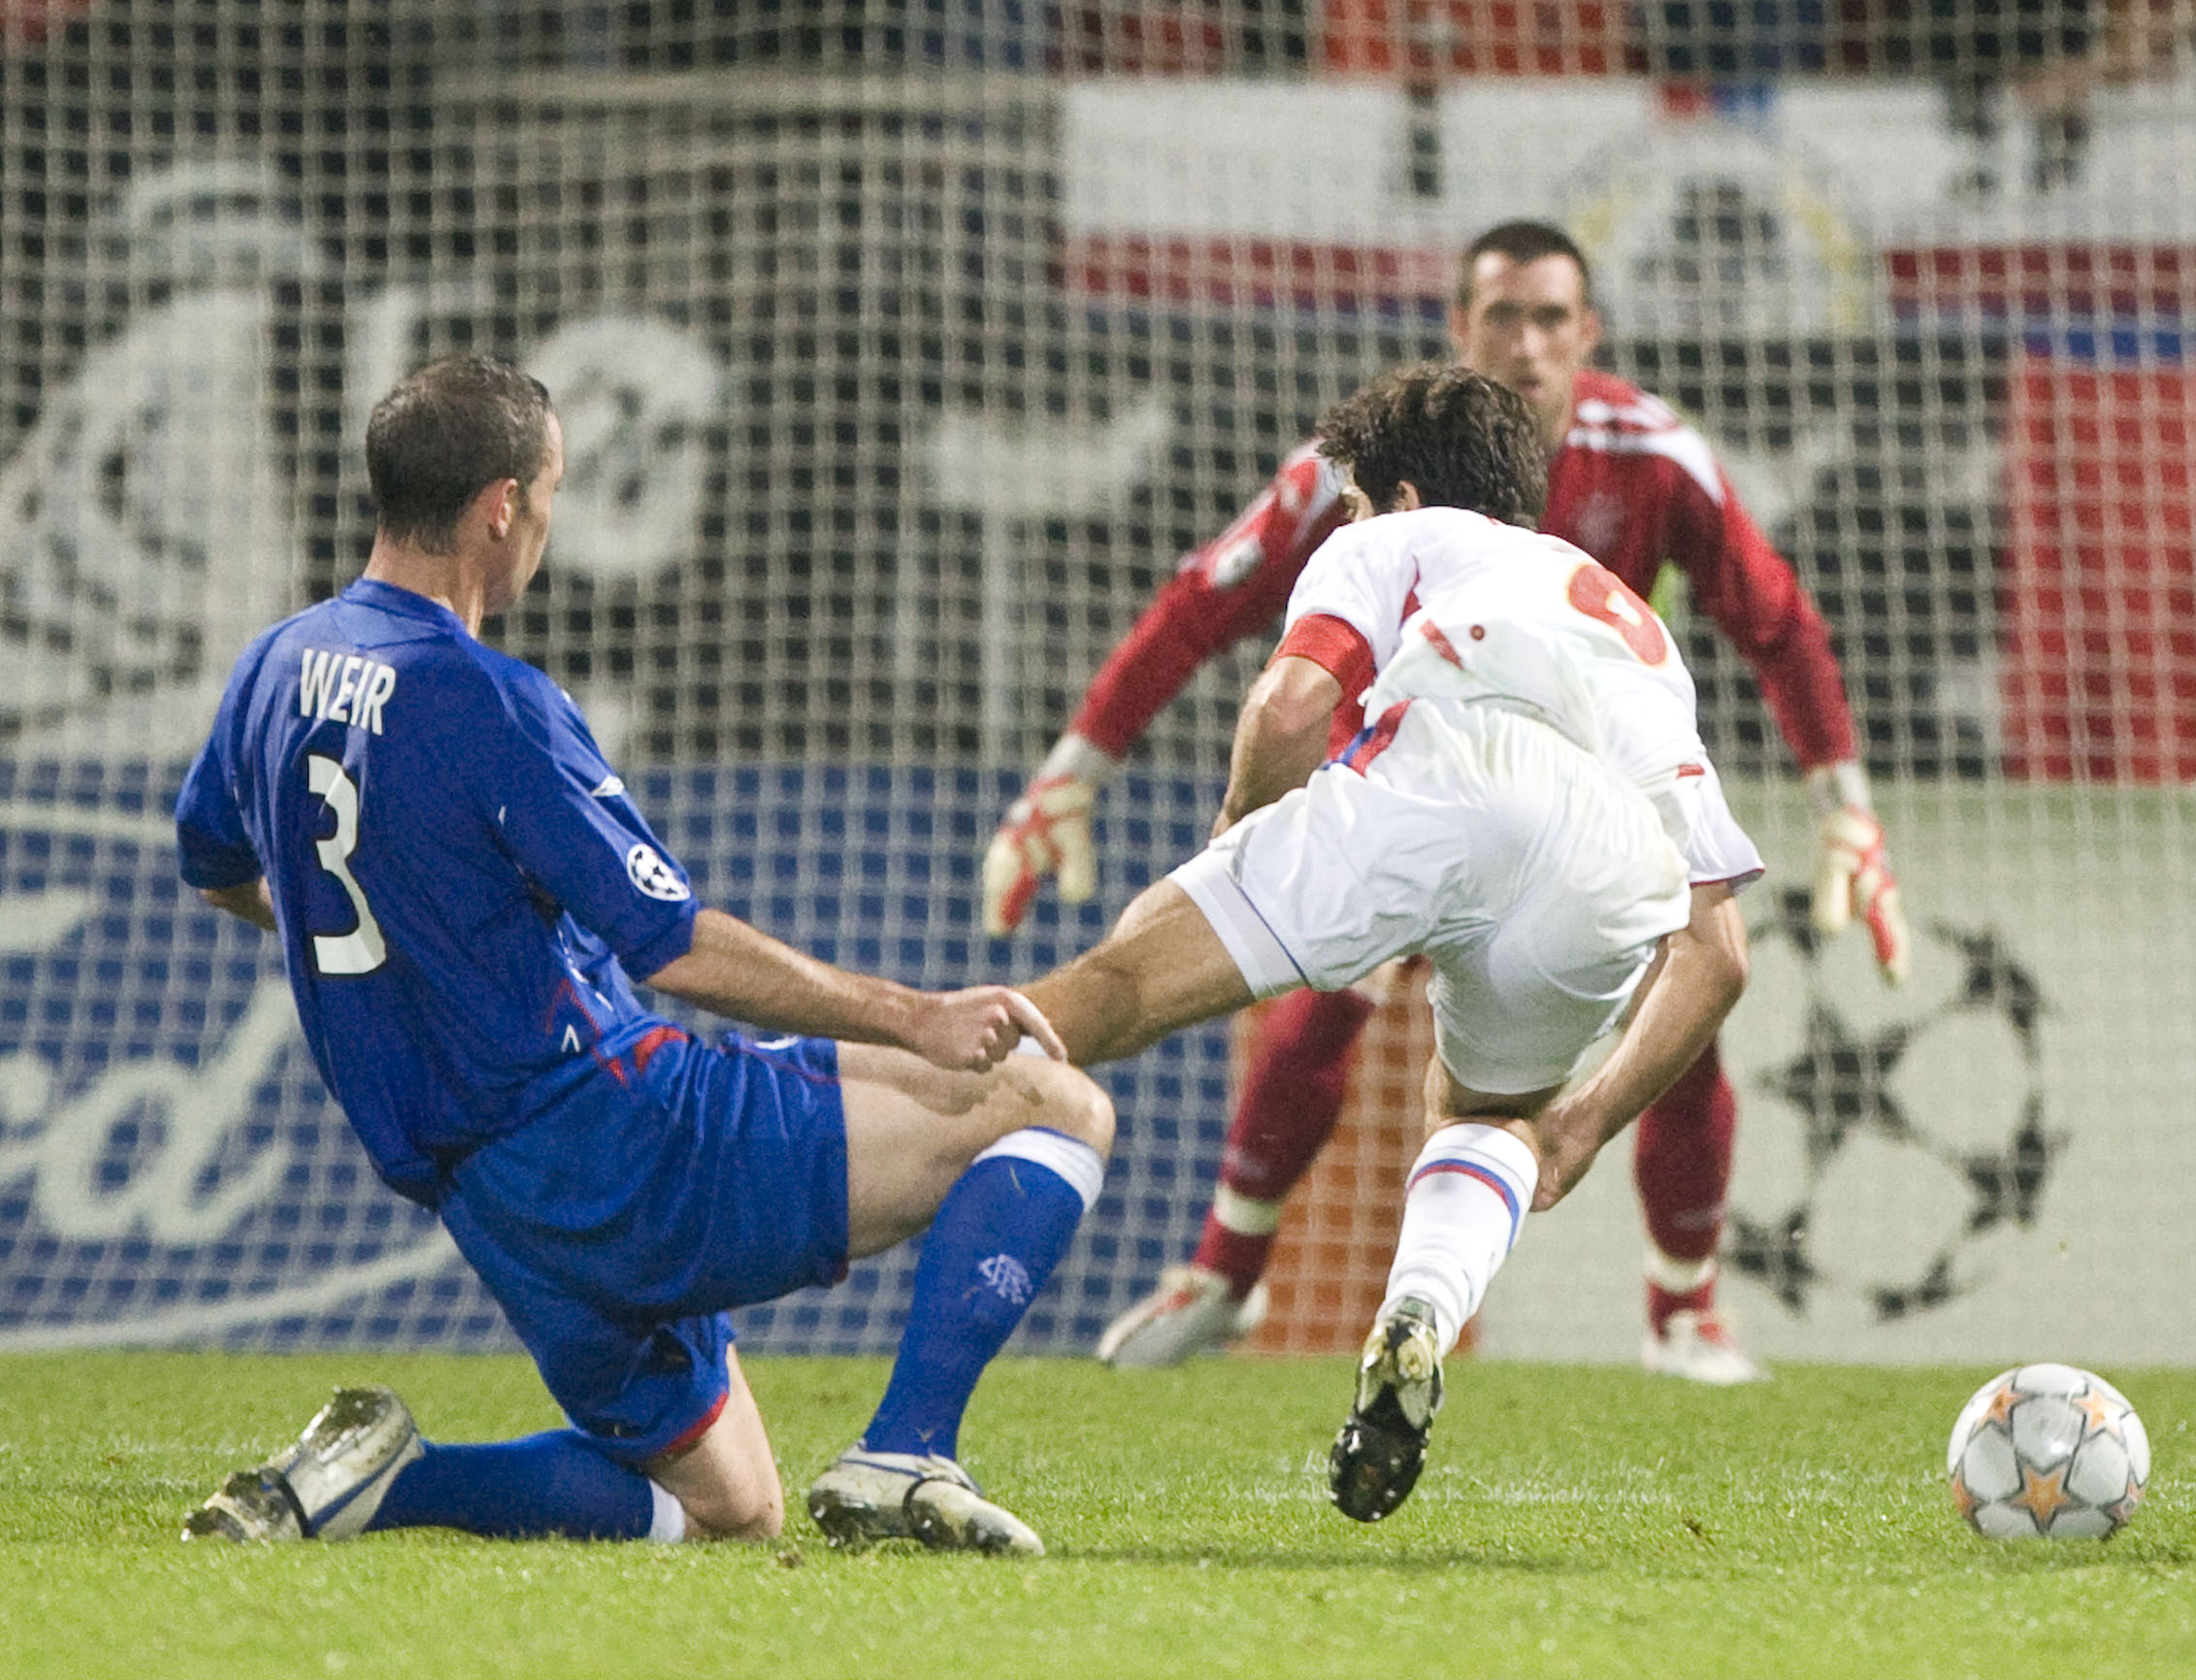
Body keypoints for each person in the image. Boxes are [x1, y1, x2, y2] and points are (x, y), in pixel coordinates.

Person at [175, 354, 1111, 1558]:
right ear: (500, 506)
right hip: (622, 1141)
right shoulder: (484, 700)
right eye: (550, 499)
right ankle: (906, 1450)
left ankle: (374, 1484)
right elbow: (671, 945)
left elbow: (217, 863)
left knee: (733, 1506)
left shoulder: (271, 669)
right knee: (1054, 1102)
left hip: (490, 1202)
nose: (544, 533)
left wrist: (405, 945)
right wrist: (912, 1015)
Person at [985, 219, 1904, 1383]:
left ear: (1589, 334)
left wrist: (1226, 835)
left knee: (1147, 983)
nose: (1526, 343)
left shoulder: (1575, 472)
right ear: (1461, 329)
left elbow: (1778, 624)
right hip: (1592, 830)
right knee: (1539, 1067)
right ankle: (1269, 1280)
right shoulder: (1583, 584)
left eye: (1550, 320)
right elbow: (1203, 599)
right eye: (1501, 318)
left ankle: (1678, 1311)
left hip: (1421, 787)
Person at [1015, 364, 1758, 1521]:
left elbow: (1293, 707)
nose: (1350, 520)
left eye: (1357, 502)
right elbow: (1719, 955)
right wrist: (1580, 1129)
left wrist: (1229, 856)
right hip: (1610, 864)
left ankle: (887, 1122)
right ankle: (1419, 1309)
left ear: (1398, 493)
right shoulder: (1634, 621)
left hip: (1439, 773)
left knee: (1118, 982)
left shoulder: (1393, 538)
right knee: (1484, 1118)